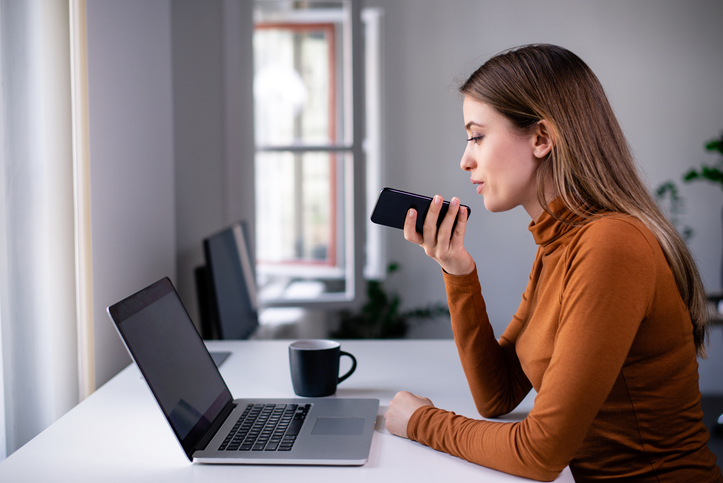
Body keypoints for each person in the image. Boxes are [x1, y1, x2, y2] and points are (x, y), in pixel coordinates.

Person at [383, 44, 722, 482]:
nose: (465, 159)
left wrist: (421, 423)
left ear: (542, 138)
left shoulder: (609, 246)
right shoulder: (559, 243)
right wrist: (457, 269)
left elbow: (539, 454)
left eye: (477, 135)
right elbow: (498, 393)